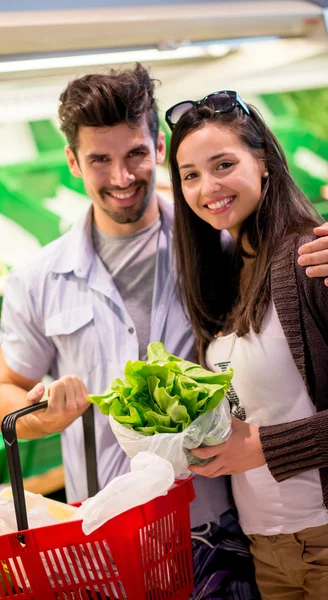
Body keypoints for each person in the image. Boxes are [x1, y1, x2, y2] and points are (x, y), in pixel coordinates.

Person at [0, 67, 328, 598]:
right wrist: (42, 416)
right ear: (74, 161)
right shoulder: (36, 280)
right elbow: (1, 394)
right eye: (100, 159)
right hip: (107, 534)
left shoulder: (219, 244)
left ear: (158, 147)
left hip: (222, 528)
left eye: (135, 155)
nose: (122, 177)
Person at [166, 89, 328, 598]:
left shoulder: (311, 258)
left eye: (222, 164)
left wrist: (262, 447)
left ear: (264, 164)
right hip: (266, 549)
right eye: (190, 175)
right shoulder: (223, 273)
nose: (206, 187)